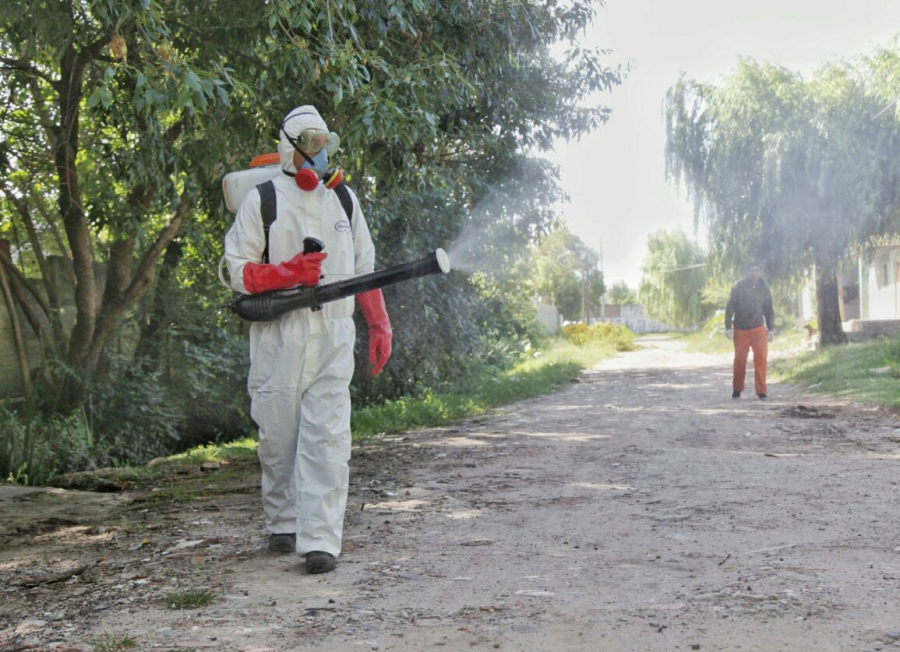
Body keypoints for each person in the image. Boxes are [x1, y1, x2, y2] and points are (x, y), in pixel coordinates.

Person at [224, 106, 392, 574]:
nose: (320, 157)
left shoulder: (344, 200)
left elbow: (364, 268)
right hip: (281, 334)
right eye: (312, 146)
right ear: (291, 147)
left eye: (325, 146)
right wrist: (287, 273)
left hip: (335, 332)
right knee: (279, 435)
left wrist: (379, 323)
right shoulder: (264, 201)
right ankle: (284, 521)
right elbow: (236, 271)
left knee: (328, 437)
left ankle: (320, 540)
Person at [724, 262, 774, 400]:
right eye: (751, 270)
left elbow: (769, 308)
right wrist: (728, 326)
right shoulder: (738, 286)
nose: (754, 273)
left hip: (758, 328)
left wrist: (771, 329)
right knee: (740, 360)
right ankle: (737, 390)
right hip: (741, 329)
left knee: (761, 360)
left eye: (757, 270)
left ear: (760, 272)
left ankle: (762, 392)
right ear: (747, 272)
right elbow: (730, 306)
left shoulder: (764, 287)